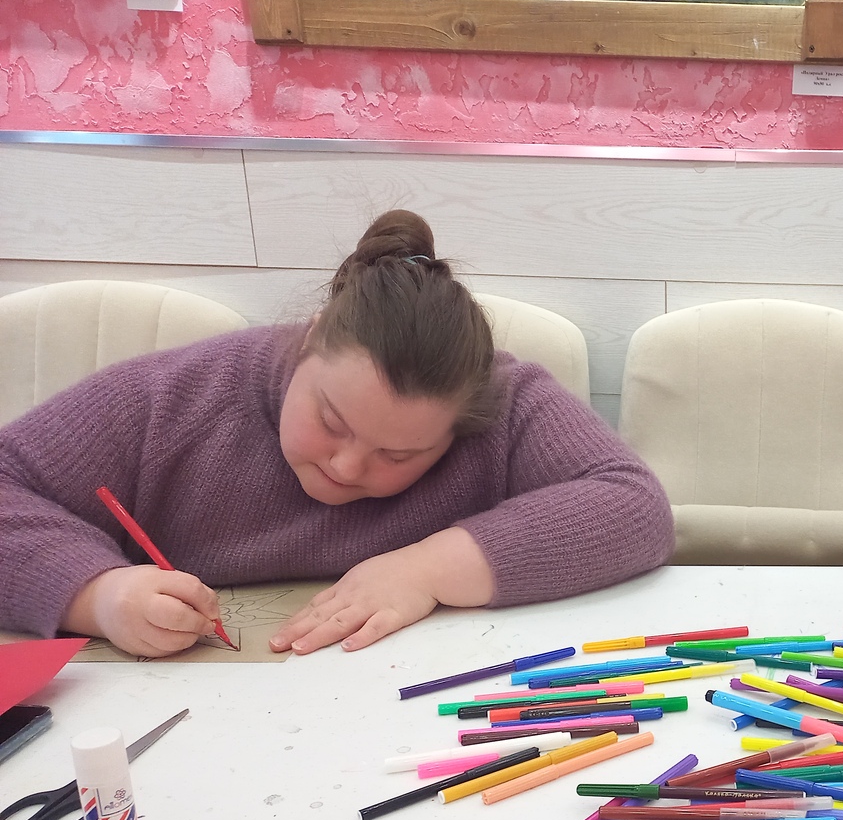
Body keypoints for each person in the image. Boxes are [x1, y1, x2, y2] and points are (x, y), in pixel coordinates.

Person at [0, 210, 675, 658]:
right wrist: (96, 596)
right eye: (331, 421)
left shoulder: (499, 400)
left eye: (399, 453)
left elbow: (634, 506)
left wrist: (427, 568)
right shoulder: (169, 399)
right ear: (312, 339)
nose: (349, 467)